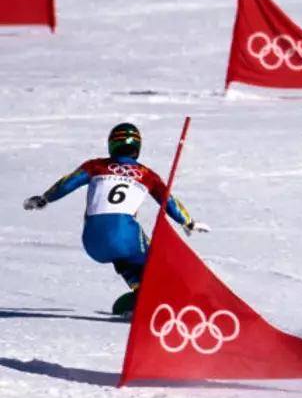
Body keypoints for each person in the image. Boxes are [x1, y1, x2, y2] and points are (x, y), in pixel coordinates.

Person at [22, 123, 208, 303]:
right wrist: (188, 222)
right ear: (137, 148)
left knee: (125, 260)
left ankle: (140, 291)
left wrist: (45, 198)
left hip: (92, 242)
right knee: (153, 258)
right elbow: (168, 202)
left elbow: (67, 183)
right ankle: (169, 297)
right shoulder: (146, 174)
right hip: (124, 235)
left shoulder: (95, 166)